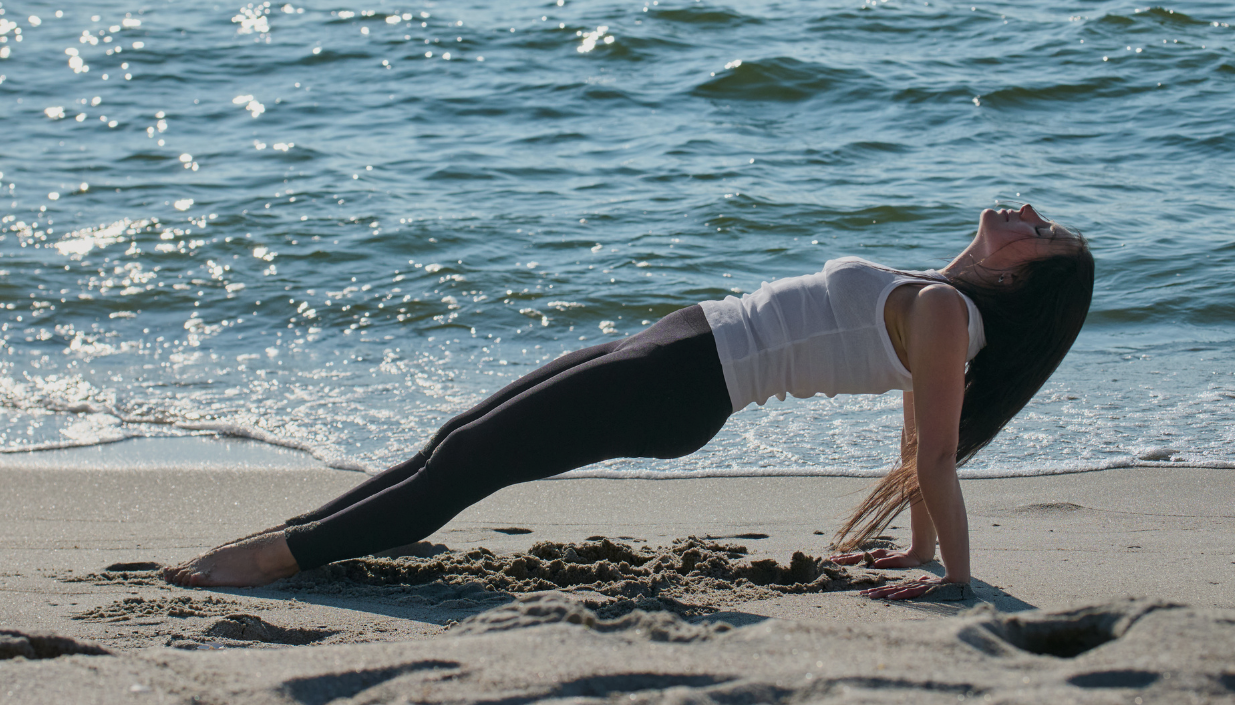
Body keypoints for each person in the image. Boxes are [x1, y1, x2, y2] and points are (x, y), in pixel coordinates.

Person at [162, 204, 1095, 601]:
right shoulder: (940, 298)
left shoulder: (942, 309)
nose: (1021, 214)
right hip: (683, 347)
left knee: (467, 464)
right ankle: (298, 533)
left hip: (687, 382)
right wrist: (921, 546)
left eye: (1040, 230)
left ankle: (273, 557)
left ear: (1031, 278)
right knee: (458, 439)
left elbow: (934, 453)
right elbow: (914, 430)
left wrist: (954, 578)